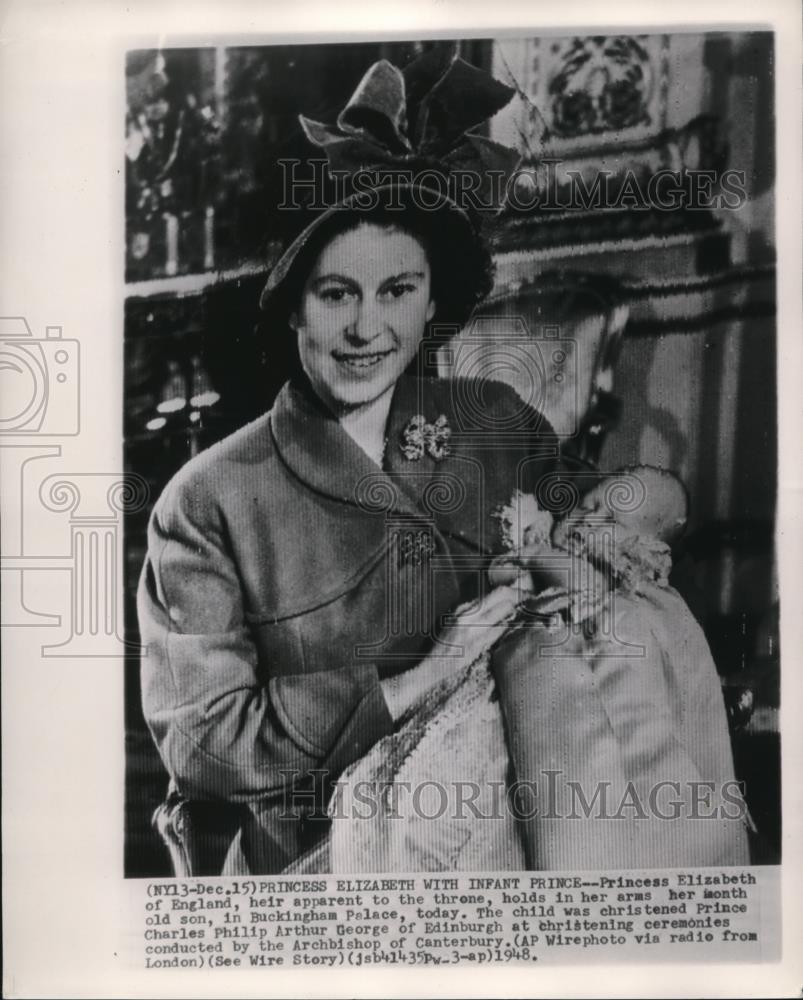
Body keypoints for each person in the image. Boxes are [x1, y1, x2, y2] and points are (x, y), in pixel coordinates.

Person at [137, 51, 559, 874]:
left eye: (397, 291)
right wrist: (415, 679)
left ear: (435, 299)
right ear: (291, 303)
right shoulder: (208, 500)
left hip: (521, 838)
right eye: (337, 294)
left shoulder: (501, 425)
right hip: (318, 869)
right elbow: (203, 743)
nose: (368, 329)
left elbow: (589, 572)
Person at [290, 466, 750, 873]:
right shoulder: (557, 559)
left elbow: (578, 585)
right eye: (589, 505)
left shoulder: (615, 580)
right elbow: (500, 577)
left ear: (645, 546)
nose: (590, 520)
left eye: (612, 520)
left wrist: (532, 554)